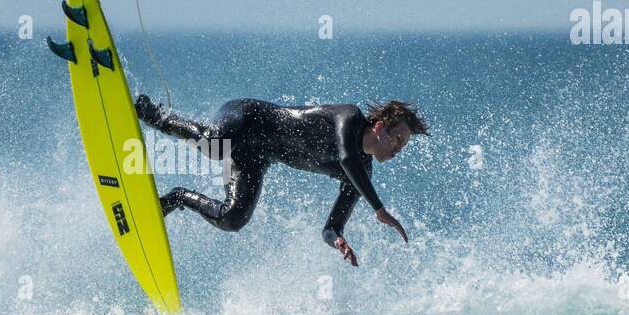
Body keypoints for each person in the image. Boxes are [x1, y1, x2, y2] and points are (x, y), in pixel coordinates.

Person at [135, 95, 428, 267]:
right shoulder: (348, 117)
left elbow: (331, 226)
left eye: (403, 145)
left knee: (233, 219)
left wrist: (337, 240)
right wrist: (378, 208)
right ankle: (153, 114)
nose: (398, 149)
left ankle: (176, 198)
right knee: (214, 145)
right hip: (246, 118)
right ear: (378, 127)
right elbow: (346, 156)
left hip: (254, 157)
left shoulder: (360, 174)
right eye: (397, 139)